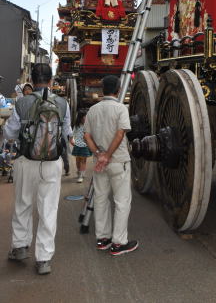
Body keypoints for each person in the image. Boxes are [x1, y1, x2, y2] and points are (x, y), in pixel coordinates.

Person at [4, 63, 73, 275]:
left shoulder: (22, 102)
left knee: (23, 204)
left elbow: (10, 134)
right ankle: (43, 259)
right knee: (48, 210)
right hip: (52, 163)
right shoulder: (62, 103)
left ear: (32, 81)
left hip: (26, 161)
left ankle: (20, 247)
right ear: (51, 80)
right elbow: (67, 134)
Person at [84, 75, 138, 256]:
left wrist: (99, 155)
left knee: (100, 199)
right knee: (122, 201)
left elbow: (87, 136)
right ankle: (118, 243)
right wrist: (107, 155)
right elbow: (120, 134)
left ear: (102, 90)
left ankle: (102, 238)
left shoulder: (93, 110)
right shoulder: (121, 108)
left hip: (100, 163)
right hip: (118, 161)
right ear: (118, 89)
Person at [71, 109, 92, 182]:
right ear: (80, 117)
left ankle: (81, 175)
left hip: (85, 145)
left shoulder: (88, 125)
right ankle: (79, 171)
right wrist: (72, 140)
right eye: (85, 117)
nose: (86, 118)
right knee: (77, 160)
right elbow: (72, 133)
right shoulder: (77, 126)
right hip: (77, 145)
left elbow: (91, 134)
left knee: (83, 160)